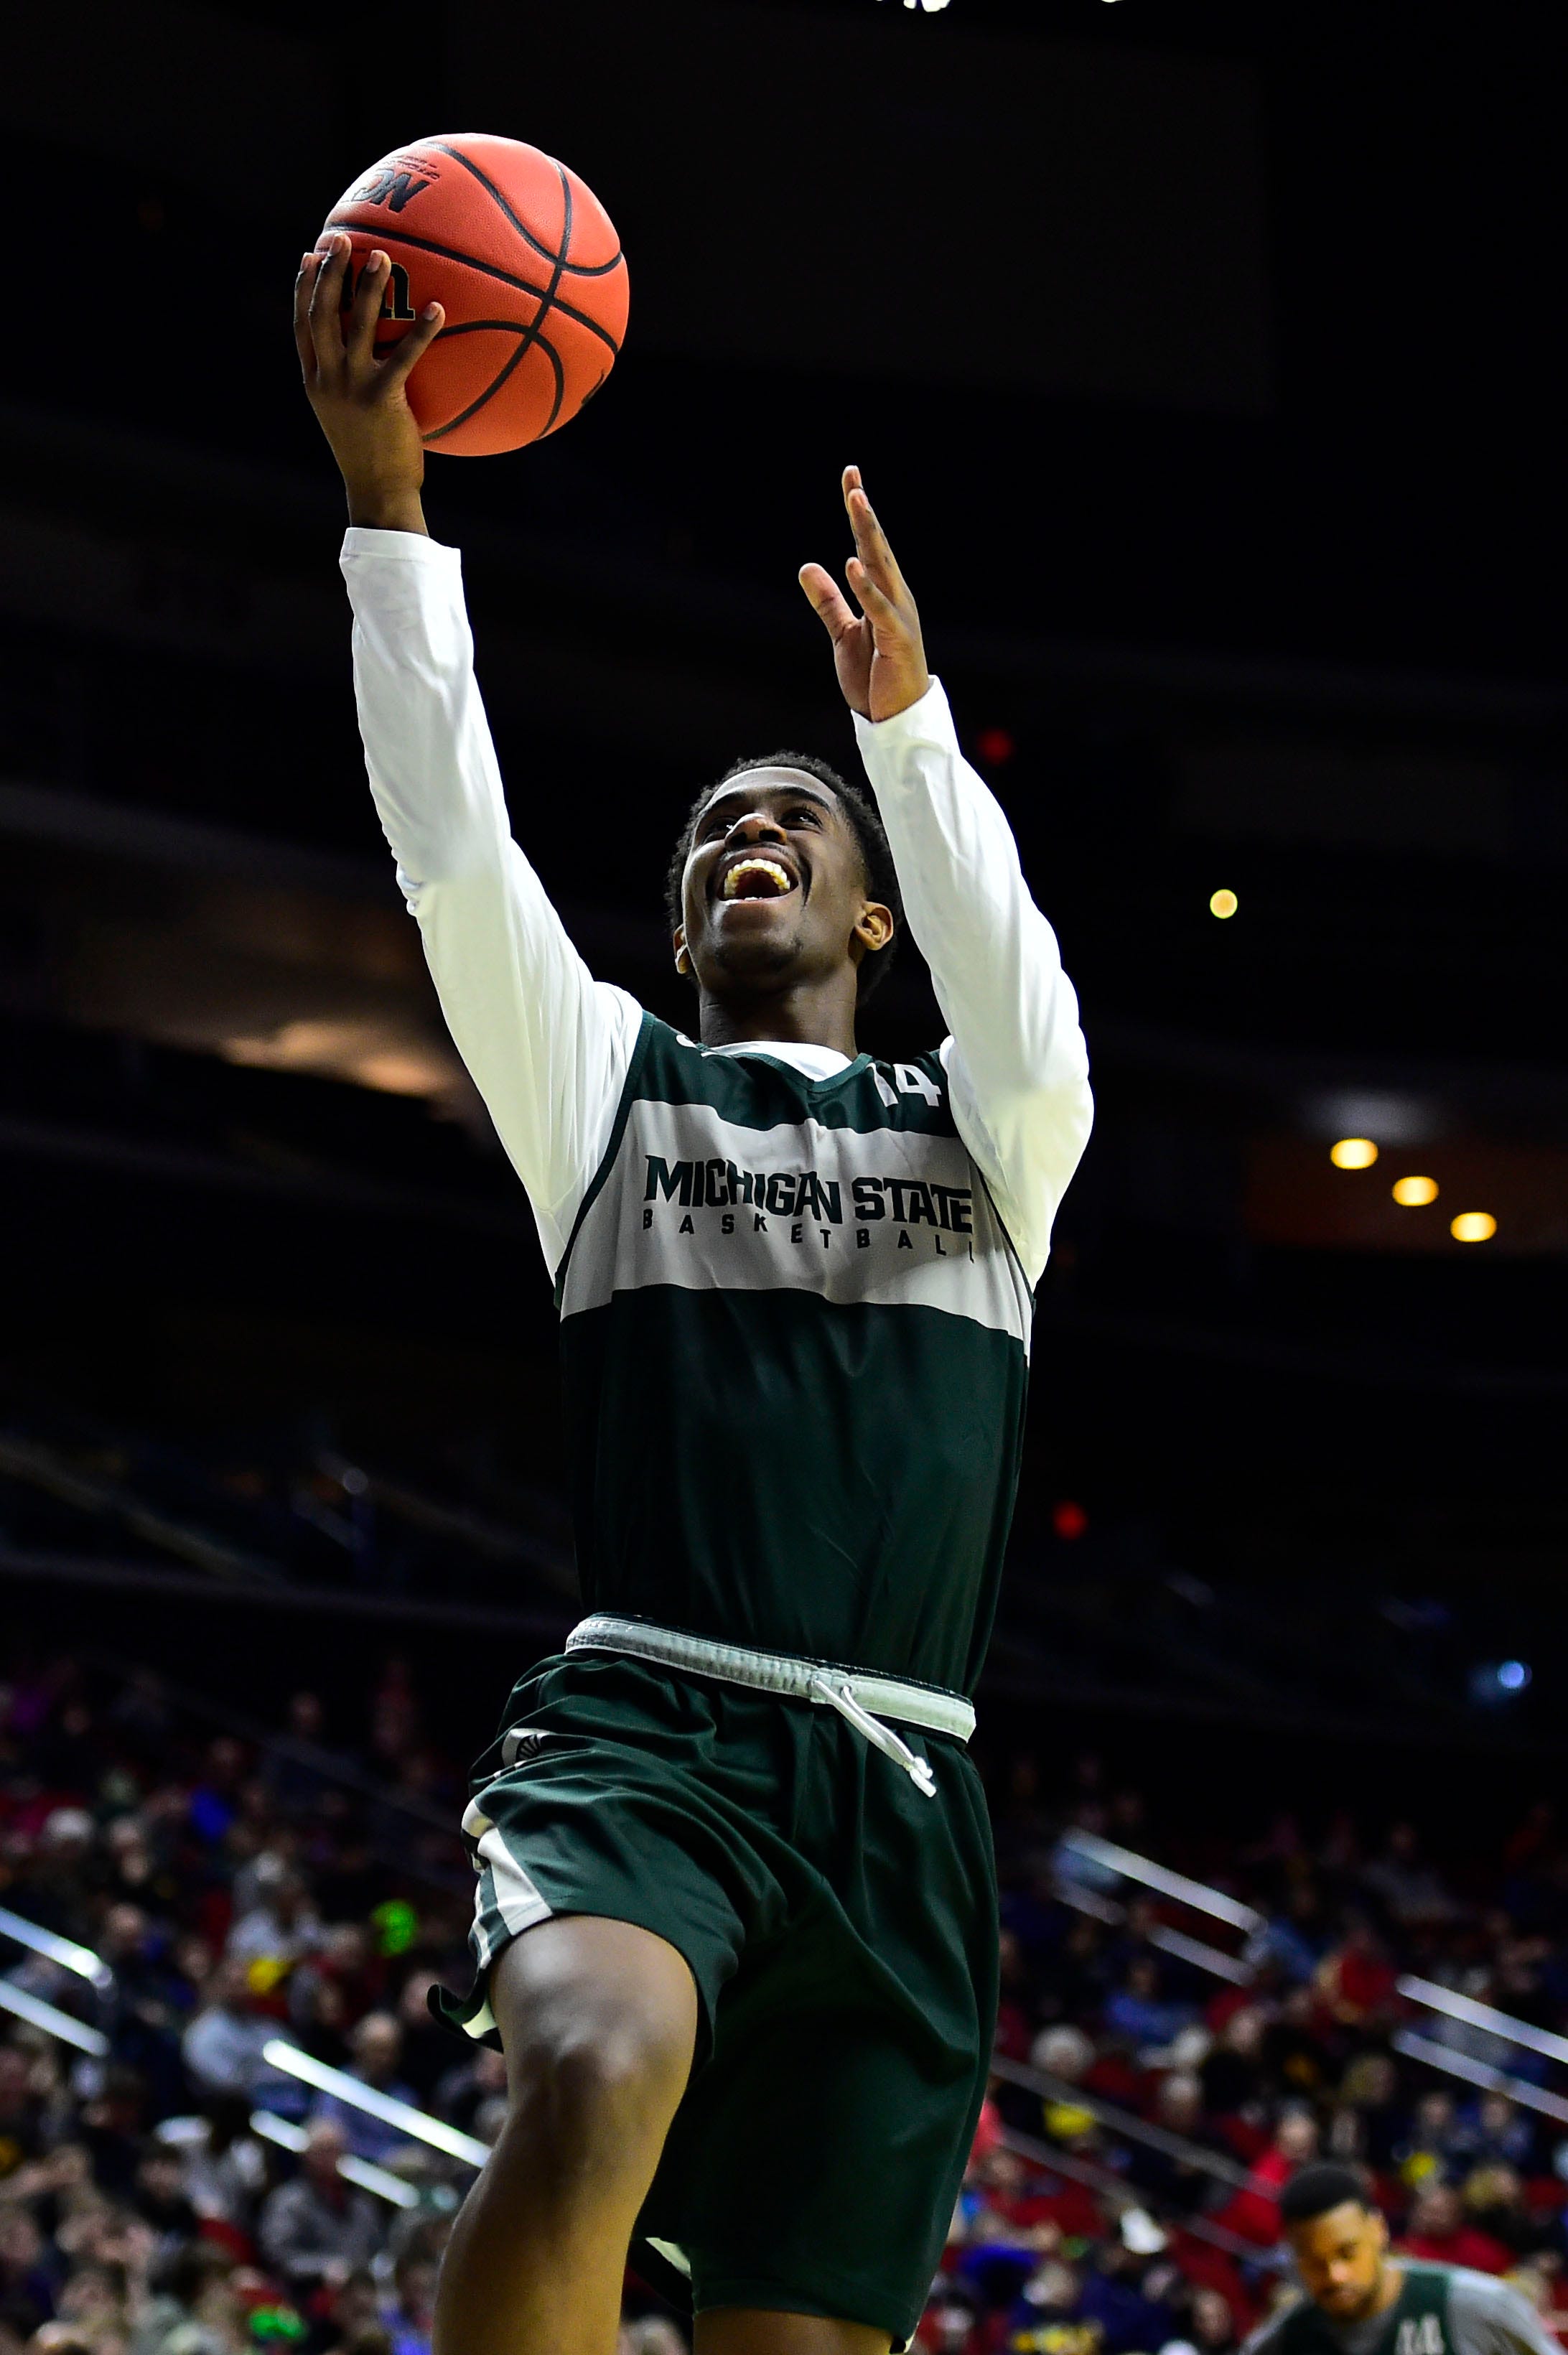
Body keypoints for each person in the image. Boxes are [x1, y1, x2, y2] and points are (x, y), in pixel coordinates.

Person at [294, 227, 1092, 2355]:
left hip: (902, 1805)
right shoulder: (609, 1092)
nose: (748, 838)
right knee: (595, 2060)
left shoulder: (989, 1129)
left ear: (871, 904)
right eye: (714, 832)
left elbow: (1026, 990)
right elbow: (454, 848)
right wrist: (392, 506)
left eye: (790, 823)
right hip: (644, 1735)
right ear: (677, 926)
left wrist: (903, 736)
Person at [1241, 2163, 1557, 2355]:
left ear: (1379, 2230)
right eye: (1314, 2261)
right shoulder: (1283, 2339)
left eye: (1347, 2253)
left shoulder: (1475, 2305)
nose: (1336, 2274)